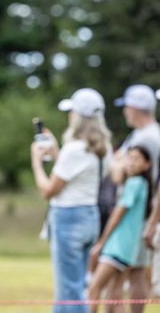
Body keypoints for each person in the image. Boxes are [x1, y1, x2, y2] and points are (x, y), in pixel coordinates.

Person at [30, 88, 112, 313]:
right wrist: (57, 152)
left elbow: (49, 190)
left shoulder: (74, 149)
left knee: (68, 291)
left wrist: (37, 162)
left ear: (78, 117)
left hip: (68, 218)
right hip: (90, 216)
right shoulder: (105, 149)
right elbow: (75, 177)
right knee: (77, 284)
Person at [108, 84, 160, 308]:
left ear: (136, 108)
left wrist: (115, 162)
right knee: (136, 270)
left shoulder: (147, 138)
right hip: (142, 211)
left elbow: (119, 172)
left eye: (126, 107)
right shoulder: (141, 134)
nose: (124, 112)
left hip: (136, 211)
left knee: (127, 271)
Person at [88, 146, 153, 313]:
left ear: (147, 164)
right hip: (128, 248)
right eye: (129, 158)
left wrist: (102, 242)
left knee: (94, 288)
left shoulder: (134, 183)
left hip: (118, 245)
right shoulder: (143, 184)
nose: (131, 162)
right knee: (114, 295)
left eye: (136, 159)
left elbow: (118, 214)